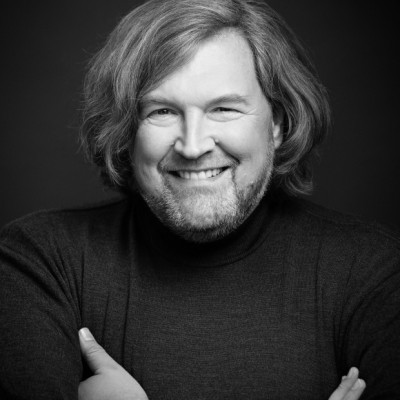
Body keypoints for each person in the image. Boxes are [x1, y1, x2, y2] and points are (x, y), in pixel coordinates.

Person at [0, 0, 398, 399]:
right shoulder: (40, 261)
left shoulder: (372, 271)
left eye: (223, 109)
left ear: (277, 123)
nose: (192, 146)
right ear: (127, 130)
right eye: (162, 111)